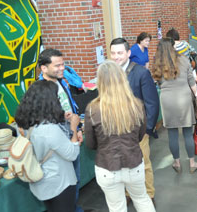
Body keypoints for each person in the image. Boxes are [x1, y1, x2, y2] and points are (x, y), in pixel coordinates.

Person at [84, 61, 155, 212]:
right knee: (142, 199)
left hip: (106, 166)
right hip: (133, 162)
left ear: (100, 82)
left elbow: (90, 144)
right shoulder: (136, 105)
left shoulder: (92, 109)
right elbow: (140, 135)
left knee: (117, 207)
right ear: (123, 79)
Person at [14, 80, 80, 212]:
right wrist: (73, 127)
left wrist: (60, 118)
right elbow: (72, 153)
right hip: (59, 183)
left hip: (40, 184)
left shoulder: (23, 124)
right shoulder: (49, 130)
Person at [109, 37, 159, 203]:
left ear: (128, 53)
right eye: (113, 53)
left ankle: (149, 194)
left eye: (120, 53)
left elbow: (152, 103)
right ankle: (129, 193)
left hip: (138, 129)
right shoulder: (110, 72)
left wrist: (148, 128)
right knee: (124, 164)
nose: (116, 56)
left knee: (142, 163)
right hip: (117, 128)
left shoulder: (141, 73)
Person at [38, 48, 83, 212]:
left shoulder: (62, 82)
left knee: (75, 179)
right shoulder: (39, 91)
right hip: (57, 147)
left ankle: (74, 207)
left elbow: (70, 106)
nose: (62, 68)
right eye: (57, 65)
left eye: (63, 64)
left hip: (71, 137)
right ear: (44, 68)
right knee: (64, 184)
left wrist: (77, 129)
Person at [152, 38, 197, 173]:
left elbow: (159, 83)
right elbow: (191, 82)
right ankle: (192, 163)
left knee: (172, 134)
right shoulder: (184, 60)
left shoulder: (158, 63)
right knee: (187, 133)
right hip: (184, 98)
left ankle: (177, 162)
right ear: (173, 47)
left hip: (167, 100)